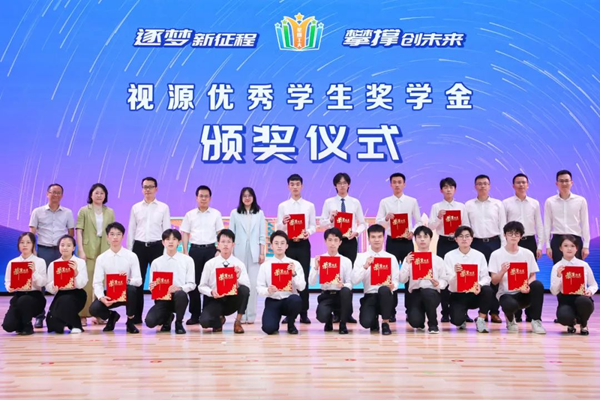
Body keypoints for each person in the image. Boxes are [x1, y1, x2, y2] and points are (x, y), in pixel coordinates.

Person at [375, 172, 422, 323]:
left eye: (399, 182)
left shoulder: (412, 201)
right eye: (394, 182)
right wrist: (386, 219)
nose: (397, 185)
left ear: (404, 184)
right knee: (391, 276)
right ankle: (391, 311)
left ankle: (411, 310)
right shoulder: (385, 202)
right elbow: (378, 221)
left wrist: (413, 232)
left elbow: (419, 221)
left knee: (410, 276)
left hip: (407, 241)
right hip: (392, 242)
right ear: (390, 185)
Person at [320, 172, 365, 324]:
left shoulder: (355, 202)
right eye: (339, 183)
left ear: (349, 184)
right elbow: (322, 223)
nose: (342, 185)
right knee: (333, 273)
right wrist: (331, 219)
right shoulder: (329, 202)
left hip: (349, 241)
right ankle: (335, 312)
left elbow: (363, 223)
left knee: (348, 277)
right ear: (335, 185)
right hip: (334, 242)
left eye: (345, 183)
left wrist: (356, 232)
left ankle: (347, 313)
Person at [29, 183, 75, 328]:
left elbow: (71, 233)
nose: (55, 195)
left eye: (58, 192)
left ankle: (61, 315)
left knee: (63, 284)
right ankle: (39, 316)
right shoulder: (37, 211)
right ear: (47, 194)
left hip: (62, 251)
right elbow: (32, 233)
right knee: (40, 284)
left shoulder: (67, 212)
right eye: (53, 192)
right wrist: (32, 251)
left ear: (62, 195)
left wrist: (69, 251)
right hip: (44, 250)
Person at [127, 177, 171, 324]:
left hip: (157, 246)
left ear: (156, 189)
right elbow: (132, 230)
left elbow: (167, 230)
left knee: (159, 283)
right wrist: (130, 251)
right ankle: (136, 316)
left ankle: (161, 316)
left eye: (150, 187)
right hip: (139, 247)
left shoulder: (163, 207)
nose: (147, 190)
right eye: (145, 187)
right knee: (137, 282)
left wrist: (166, 251)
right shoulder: (135, 207)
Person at [489, 222, 546, 334]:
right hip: (506, 294)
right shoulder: (496, 254)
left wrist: (527, 285)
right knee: (510, 304)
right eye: (510, 234)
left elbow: (533, 275)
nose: (513, 236)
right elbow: (494, 281)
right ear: (505, 235)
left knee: (537, 285)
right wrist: (502, 271)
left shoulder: (527, 253)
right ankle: (510, 319)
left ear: (521, 236)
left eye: (517, 234)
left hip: (523, 293)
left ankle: (536, 321)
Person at [502, 173, 543, 322]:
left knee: (530, 274)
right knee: (514, 275)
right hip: (512, 242)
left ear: (527, 185)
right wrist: (504, 244)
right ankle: (516, 312)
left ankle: (531, 313)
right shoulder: (506, 203)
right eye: (518, 182)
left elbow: (539, 224)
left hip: (529, 241)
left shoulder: (534, 203)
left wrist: (540, 245)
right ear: (513, 185)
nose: (521, 185)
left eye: (523, 182)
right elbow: (503, 225)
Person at [465, 174, 506, 324]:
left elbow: (503, 226)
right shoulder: (468, 205)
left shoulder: (498, 204)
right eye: (479, 184)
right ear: (475, 186)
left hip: (494, 243)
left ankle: (494, 312)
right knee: (478, 277)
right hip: (476, 244)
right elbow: (466, 227)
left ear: (489, 186)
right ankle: (482, 312)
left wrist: (503, 247)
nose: (482, 186)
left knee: (495, 278)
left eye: (485, 183)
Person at [428, 177, 470, 323]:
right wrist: (439, 218)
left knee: (462, 274)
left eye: (451, 187)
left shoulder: (461, 206)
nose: (448, 190)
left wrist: (461, 234)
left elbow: (466, 225)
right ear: (441, 190)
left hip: (459, 242)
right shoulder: (436, 206)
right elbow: (431, 227)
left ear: (455, 189)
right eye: (445, 187)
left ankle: (463, 311)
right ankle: (445, 312)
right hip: (444, 242)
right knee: (444, 275)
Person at [180, 185, 223, 326]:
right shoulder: (190, 214)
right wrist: (185, 251)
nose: (203, 198)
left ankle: (207, 313)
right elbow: (185, 233)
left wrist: (219, 249)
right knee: (194, 282)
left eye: (206, 196)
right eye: (201, 196)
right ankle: (195, 314)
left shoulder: (216, 214)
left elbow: (220, 233)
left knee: (210, 282)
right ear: (196, 198)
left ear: (210, 198)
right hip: (195, 250)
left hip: (211, 250)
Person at [276, 174, 316, 324]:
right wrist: (283, 223)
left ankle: (304, 313)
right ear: (288, 186)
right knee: (288, 277)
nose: (295, 187)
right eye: (292, 184)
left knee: (303, 277)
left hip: (303, 244)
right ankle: (290, 313)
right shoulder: (283, 206)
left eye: (297, 184)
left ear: (302, 186)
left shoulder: (309, 206)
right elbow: (278, 227)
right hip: (289, 244)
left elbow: (313, 226)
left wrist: (308, 232)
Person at [90, 222, 143, 334]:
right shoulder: (101, 258)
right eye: (112, 234)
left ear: (123, 237)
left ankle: (130, 322)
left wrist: (127, 280)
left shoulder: (131, 256)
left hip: (127, 293)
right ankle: (112, 316)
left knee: (132, 290)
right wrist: (101, 297)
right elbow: (97, 282)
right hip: (111, 294)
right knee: (94, 309)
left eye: (118, 234)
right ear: (107, 237)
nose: (115, 237)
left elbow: (138, 281)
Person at [76, 183, 115, 327]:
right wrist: (81, 250)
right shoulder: (84, 210)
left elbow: (112, 232)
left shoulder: (109, 211)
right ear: (91, 195)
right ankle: (83, 315)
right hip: (88, 249)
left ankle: (98, 314)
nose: (99, 195)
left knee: (101, 284)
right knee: (86, 284)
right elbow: (79, 230)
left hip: (104, 248)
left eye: (102, 193)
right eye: (96, 193)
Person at [198, 229, 251, 334]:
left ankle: (238, 322)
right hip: (215, 299)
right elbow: (201, 286)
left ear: (233, 244)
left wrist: (237, 278)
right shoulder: (210, 264)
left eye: (228, 242)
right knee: (204, 322)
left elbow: (247, 286)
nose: (226, 244)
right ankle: (219, 320)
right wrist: (211, 292)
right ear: (218, 244)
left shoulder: (239, 264)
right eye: (223, 242)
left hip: (231, 300)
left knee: (244, 290)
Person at [444, 226, 494, 333]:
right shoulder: (449, 256)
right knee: (457, 321)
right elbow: (448, 281)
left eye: (467, 236)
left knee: (487, 290)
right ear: (456, 239)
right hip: (457, 294)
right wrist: (456, 274)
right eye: (461, 236)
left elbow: (486, 277)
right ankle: (461, 318)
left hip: (474, 294)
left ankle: (480, 319)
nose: (464, 239)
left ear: (472, 238)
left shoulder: (479, 256)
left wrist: (479, 285)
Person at [352, 224, 400, 335]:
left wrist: (393, 286)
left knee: (384, 290)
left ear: (384, 238)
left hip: (386, 295)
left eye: (379, 236)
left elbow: (396, 280)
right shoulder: (361, 257)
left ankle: (385, 323)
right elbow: (354, 281)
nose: (376, 240)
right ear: (368, 239)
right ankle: (373, 320)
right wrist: (365, 266)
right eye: (373, 237)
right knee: (366, 323)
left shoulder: (391, 257)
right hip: (370, 295)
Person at [145, 229, 196, 335]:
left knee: (181, 294)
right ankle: (167, 319)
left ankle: (179, 322)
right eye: (168, 239)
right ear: (163, 242)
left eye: (174, 239)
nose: (171, 242)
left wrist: (179, 288)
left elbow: (192, 284)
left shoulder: (187, 260)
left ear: (179, 242)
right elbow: (151, 285)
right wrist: (152, 287)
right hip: (163, 299)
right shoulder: (156, 262)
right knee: (150, 321)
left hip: (179, 297)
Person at [228, 187, 266, 325]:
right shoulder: (235, 213)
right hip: (238, 252)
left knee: (253, 284)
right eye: (244, 196)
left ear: (253, 197)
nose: (247, 198)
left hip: (254, 253)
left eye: (249, 195)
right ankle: (241, 315)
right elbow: (231, 234)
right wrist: (230, 254)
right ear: (241, 198)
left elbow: (262, 235)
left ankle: (251, 315)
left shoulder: (259, 213)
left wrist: (262, 252)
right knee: (241, 283)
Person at [400, 226, 447, 334]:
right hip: (416, 293)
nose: (422, 239)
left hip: (432, 293)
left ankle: (433, 324)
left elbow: (444, 280)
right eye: (419, 237)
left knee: (428, 292)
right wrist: (407, 263)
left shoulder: (438, 260)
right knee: (415, 322)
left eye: (425, 237)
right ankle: (420, 319)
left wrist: (438, 283)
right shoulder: (410, 258)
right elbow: (402, 280)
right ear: (415, 239)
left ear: (430, 239)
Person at [257, 231, 305, 335]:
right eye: (276, 243)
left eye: (282, 243)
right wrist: (268, 290)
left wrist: (294, 274)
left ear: (287, 246)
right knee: (268, 329)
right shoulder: (265, 266)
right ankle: (275, 320)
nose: (279, 246)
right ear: (271, 246)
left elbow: (302, 287)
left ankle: (291, 323)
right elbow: (259, 288)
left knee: (296, 300)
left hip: (289, 300)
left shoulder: (295, 264)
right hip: (273, 300)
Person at [308, 228, 353, 334]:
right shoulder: (320, 259)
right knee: (321, 316)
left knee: (346, 291)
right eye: (330, 240)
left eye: (336, 240)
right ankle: (328, 319)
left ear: (340, 242)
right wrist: (316, 267)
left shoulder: (346, 261)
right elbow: (311, 283)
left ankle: (343, 323)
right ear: (325, 241)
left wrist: (343, 285)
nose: (332, 243)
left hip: (341, 295)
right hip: (327, 295)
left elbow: (350, 283)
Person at [550, 235, 597, 335]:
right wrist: (558, 276)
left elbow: (593, 284)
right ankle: (571, 323)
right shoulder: (556, 267)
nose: (569, 248)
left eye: (572, 246)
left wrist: (590, 291)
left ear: (577, 248)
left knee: (584, 301)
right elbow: (554, 291)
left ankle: (583, 324)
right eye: (566, 245)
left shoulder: (584, 265)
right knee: (563, 317)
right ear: (560, 248)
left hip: (582, 297)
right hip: (566, 300)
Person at [2, 233, 47, 335]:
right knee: (8, 326)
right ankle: (21, 323)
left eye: (28, 242)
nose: (25, 245)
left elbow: (43, 283)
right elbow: (8, 280)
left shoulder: (39, 261)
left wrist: (34, 272)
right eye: (22, 242)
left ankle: (27, 325)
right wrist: (9, 287)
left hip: (35, 296)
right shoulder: (13, 262)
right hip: (19, 295)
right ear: (18, 245)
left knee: (24, 300)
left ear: (33, 244)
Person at [544, 170, 590, 264]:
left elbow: (585, 223)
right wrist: (548, 246)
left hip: (575, 239)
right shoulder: (550, 201)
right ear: (557, 183)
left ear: (571, 182)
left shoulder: (581, 201)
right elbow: (547, 225)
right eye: (561, 181)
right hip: (557, 240)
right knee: (559, 270)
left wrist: (586, 246)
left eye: (566, 181)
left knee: (576, 270)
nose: (564, 183)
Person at [46, 235, 88, 334]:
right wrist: (54, 286)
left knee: (66, 301)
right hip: (60, 293)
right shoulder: (53, 264)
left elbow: (82, 284)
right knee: (53, 324)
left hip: (77, 293)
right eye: (62, 245)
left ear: (73, 248)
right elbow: (48, 286)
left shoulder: (80, 262)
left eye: (68, 245)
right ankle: (67, 323)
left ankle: (76, 325)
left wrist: (76, 273)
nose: (65, 248)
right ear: (59, 247)